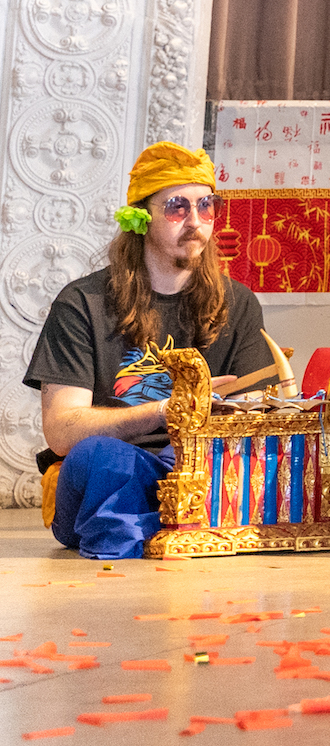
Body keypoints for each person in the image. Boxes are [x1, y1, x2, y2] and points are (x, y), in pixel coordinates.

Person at [25, 144, 275, 559]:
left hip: (203, 469)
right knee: (95, 458)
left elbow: (251, 411)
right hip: (123, 467)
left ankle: (149, 527)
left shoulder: (239, 301)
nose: (195, 222)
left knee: (326, 460)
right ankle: (192, 526)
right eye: (177, 207)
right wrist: (165, 410)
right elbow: (62, 431)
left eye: (207, 206)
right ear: (141, 218)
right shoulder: (82, 302)